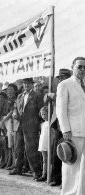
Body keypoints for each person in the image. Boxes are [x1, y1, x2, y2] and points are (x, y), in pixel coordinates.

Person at [56, 57, 85, 195]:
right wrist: (65, 129)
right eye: (79, 67)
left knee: (83, 168)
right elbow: (61, 109)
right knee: (71, 165)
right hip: (73, 131)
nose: (82, 70)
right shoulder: (65, 84)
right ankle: (68, 193)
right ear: (72, 67)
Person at [9, 78, 43, 180]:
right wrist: (15, 113)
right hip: (20, 124)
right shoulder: (20, 96)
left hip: (32, 125)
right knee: (18, 148)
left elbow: (41, 110)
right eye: (25, 84)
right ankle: (17, 168)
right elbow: (15, 107)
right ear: (23, 85)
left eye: (28, 84)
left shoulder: (37, 96)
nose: (26, 85)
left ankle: (36, 171)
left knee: (31, 149)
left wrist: (38, 123)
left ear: (32, 85)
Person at [44, 68, 72, 187]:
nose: (61, 80)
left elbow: (66, 101)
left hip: (69, 127)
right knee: (57, 154)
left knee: (68, 154)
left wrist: (53, 96)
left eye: (63, 77)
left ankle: (66, 181)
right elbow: (45, 99)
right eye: (60, 78)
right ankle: (56, 178)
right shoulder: (58, 88)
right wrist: (48, 95)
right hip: (57, 126)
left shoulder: (72, 88)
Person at [37, 106, 49, 182]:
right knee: (44, 159)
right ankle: (44, 174)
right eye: (42, 114)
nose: (43, 116)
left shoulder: (51, 123)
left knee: (49, 159)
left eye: (45, 114)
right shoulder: (42, 124)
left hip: (48, 143)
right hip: (43, 143)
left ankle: (48, 174)